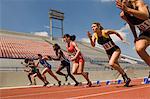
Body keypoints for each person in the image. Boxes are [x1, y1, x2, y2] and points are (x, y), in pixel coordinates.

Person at [87, 22, 131, 87]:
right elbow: (93, 45)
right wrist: (90, 38)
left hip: (115, 49)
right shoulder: (94, 35)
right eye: (92, 27)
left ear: (98, 26)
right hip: (108, 52)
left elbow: (116, 32)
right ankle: (126, 78)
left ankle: (125, 77)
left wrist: (122, 40)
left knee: (111, 63)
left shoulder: (105, 32)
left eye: (94, 26)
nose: (92, 28)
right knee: (116, 65)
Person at [116, 0, 150, 77]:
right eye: (121, 3)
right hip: (145, 33)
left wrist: (128, 10)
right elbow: (131, 24)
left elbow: (145, 16)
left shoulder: (138, 3)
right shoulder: (123, 15)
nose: (123, 4)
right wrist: (135, 37)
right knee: (139, 48)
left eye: (124, 2)